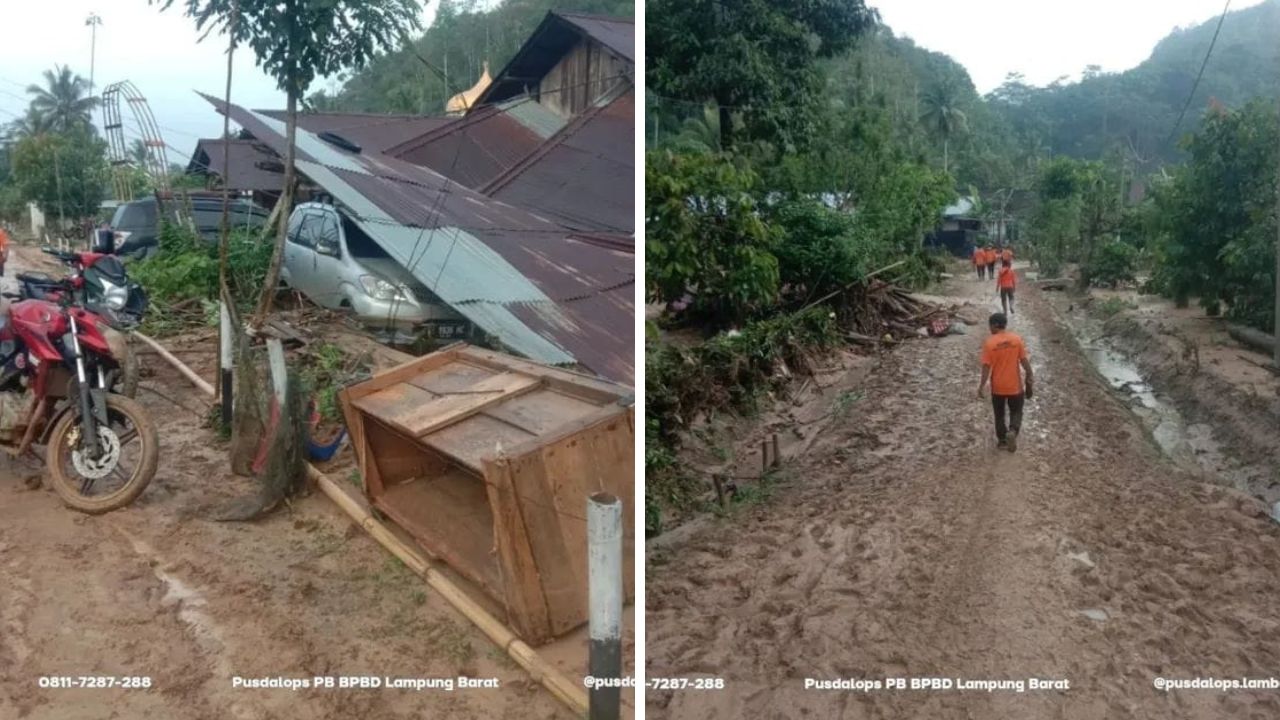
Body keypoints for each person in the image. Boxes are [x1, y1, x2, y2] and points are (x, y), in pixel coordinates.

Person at [977, 312, 1034, 451]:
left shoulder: (989, 343)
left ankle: (1002, 441)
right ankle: (1013, 431)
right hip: (1015, 386)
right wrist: (1029, 373)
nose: (989, 328)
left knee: (999, 414)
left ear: (995, 325)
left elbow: (986, 367)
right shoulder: (1016, 339)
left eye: (990, 325)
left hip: (998, 387)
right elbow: (1023, 360)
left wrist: (981, 386)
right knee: (1016, 411)